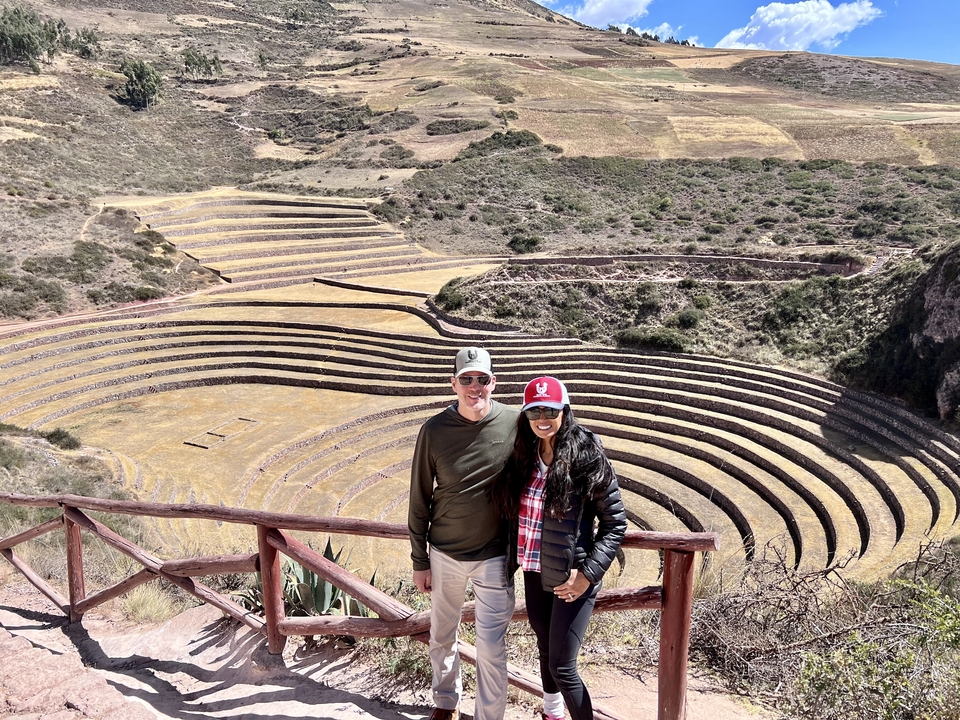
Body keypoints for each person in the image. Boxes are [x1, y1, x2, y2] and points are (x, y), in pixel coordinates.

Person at [492, 376, 627, 720]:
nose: (543, 417)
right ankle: (552, 714)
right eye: (535, 410)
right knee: (544, 647)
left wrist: (588, 575)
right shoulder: (525, 454)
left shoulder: (586, 455)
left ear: (565, 412)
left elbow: (615, 524)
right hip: (535, 570)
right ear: (525, 415)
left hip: (571, 578)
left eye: (550, 409)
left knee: (563, 666)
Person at [408, 347, 520, 720]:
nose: (475, 387)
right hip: (444, 555)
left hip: (494, 558)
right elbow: (420, 497)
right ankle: (445, 702)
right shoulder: (434, 430)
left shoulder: (516, 422)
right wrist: (419, 560)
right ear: (453, 383)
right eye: (467, 379)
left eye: (482, 379)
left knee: (491, 648)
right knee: (442, 636)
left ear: (494, 382)